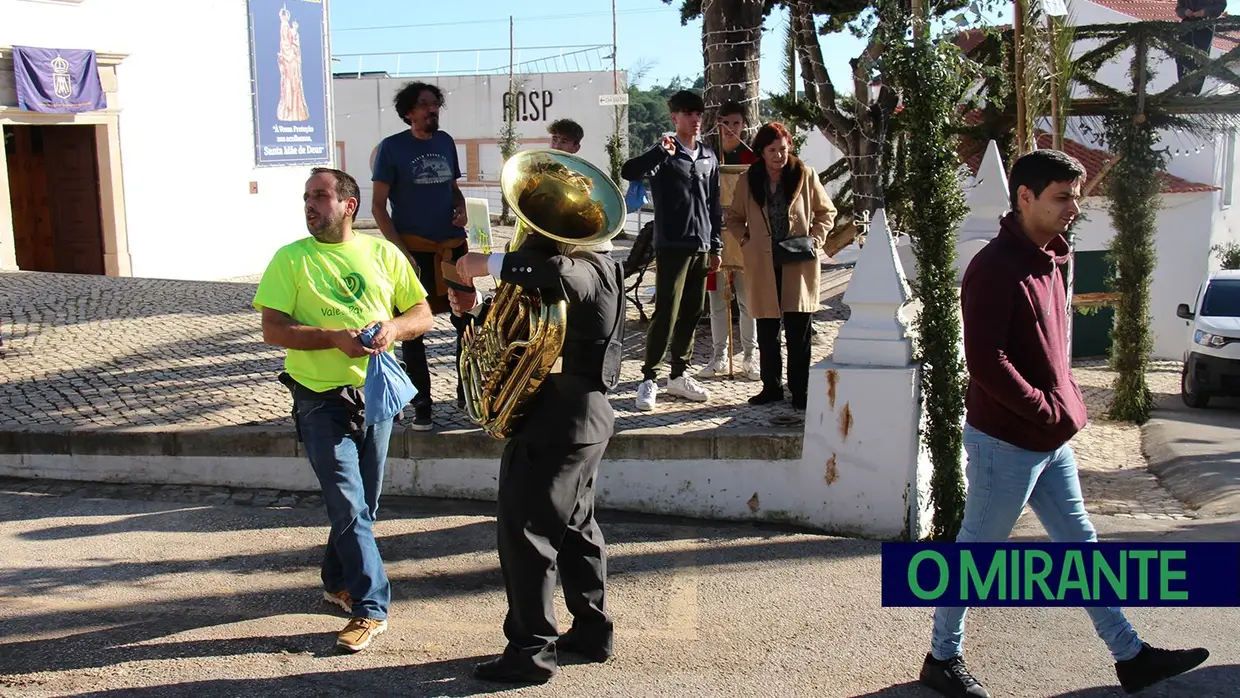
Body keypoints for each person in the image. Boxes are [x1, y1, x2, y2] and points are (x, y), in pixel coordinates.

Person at [918, 149, 1209, 698]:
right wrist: (1047, 409)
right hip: (1006, 441)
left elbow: (1052, 348)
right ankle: (942, 658)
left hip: (1049, 441)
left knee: (1082, 545)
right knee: (976, 552)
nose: (1074, 207)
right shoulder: (994, 267)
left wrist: (1066, 401)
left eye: (1075, 196)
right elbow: (986, 363)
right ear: (1025, 197)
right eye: (1062, 197)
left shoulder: (1052, 259)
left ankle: (1131, 655)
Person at [254, 167, 433, 653]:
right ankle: (371, 608)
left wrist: (394, 329)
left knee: (363, 506)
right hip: (319, 399)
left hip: (376, 395)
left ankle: (336, 580)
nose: (309, 205)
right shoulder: (291, 258)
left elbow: (421, 315)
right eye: (306, 197)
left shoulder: (383, 253)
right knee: (349, 505)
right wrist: (331, 337)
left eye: (320, 196)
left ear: (348, 205)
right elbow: (273, 329)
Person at [452, 224, 624, 684]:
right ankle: (591, 632)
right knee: (576, 529)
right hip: (573, 420)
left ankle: (530, 653)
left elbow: (556, 273)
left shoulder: (590, 269)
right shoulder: (595, 268)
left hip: (560, 425)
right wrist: (478, 308)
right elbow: (532, 323)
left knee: (527, 539)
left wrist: (487, 263)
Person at [371, 81, 476, 432]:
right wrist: (401, 253)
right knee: (414, 330)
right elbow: (378, 207)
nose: (432, 109)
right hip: (414, 250)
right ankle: (421, 404)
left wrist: (461, 208)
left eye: (435, 104)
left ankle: (467, 393)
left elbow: (453, 190)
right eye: (424, 104)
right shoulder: (391, 148)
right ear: (408, 112)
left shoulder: (445, 142)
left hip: (453, 248)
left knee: (466, 322)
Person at [621, 89, 721, 411]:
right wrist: (658, 153)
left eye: (698, 113)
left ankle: (679, 374)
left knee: (692, 312)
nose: (695, 119)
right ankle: (649, 377)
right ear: (674, 117)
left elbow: (714, 205)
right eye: (688, 113)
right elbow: (629, 171)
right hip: (671, 245)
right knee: (666, 311)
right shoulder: (664, 153)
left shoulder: (709, 157)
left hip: (701, 245)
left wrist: (716, 245)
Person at [724, 122, 835, 410]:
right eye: (772, 150)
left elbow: (826, 212)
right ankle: (771, 387)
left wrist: (815, 240)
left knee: (799, 331)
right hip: (763, 262)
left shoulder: (805, 175)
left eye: (783, 149)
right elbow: (734, 217)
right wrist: (746, 240)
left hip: (798, 261)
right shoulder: (749, 180)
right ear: (762, 151)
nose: (778, 155)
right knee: (767, 329)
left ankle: (800, 390)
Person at [700, 100, 760, 380]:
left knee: (748, 301)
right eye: (725, 123)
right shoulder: (709, 157)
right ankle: (719, 356)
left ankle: (750, 356)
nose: (731, 128)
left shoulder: (753, 159)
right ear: (718, 124)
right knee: (717, 303)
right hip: (715, 239)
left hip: (745, 238)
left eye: (736, 123)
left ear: (743, 125)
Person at [1175, 0, 1225, 95]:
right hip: (1186, 25)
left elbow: (1220, 6)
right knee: (1182, 56)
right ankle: (1182, 88)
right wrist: (1185, 11)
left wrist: (1204, 12)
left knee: (1201, 57)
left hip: (1206, 24)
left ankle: (1194, 91)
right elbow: (1179, 8)